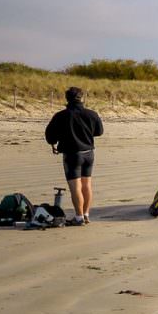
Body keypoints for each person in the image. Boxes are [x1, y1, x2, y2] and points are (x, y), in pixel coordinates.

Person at [46, 86, 105, 224]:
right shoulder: (92, 114)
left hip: (72, 155)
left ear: (67, 99)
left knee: (76, 187)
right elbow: (99, 131)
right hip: (89, 153)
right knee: (87, 185)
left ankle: (79, 217)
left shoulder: (61, 115)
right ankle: (85, 214)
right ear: (81, 98)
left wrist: (54, 143)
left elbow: (50, 135)